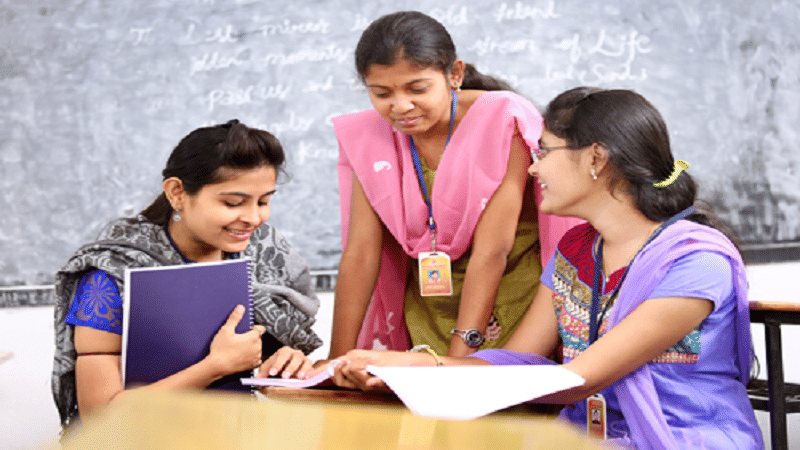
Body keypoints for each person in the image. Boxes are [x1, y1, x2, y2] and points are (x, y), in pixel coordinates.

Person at [330, 88, 764, 449]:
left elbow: (579, 379)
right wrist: (407, 367)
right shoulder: (575, 251)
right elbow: (520, 360)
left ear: (596, 158)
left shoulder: (694, 260)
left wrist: (427, 375)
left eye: (544, 151)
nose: (533, 166)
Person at [330, 11, 579, 358]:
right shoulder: (369, 136)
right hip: (426, 313)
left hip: (506, 309)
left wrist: (457, 360)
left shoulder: (502, 119)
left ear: (455, 74)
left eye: (417, 89)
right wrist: (334, 363)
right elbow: (360, 254)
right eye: (381, 93)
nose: (401, 106)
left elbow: (493, 252)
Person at [51, 120, 322, 430]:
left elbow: (267, 357)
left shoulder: (266, 255)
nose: (253, 218)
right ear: (177, 192)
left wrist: (286, 361)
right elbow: (100, 418)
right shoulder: (111, 277)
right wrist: (215, 367)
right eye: (233, 203)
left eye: (263, 201)